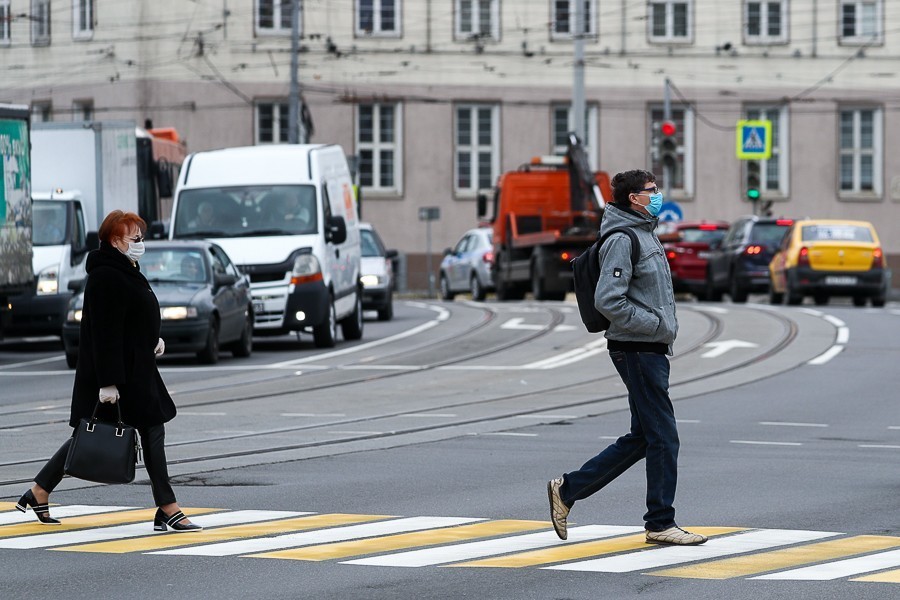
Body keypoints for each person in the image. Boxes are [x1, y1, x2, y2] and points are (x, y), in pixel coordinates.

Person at [547, 170, 707, 546]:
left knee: (644, 438)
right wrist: (653, 325)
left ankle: (567, 490)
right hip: (636, 348)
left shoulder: (645, 233)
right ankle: (660, 522)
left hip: (648, 347)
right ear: (634, 198)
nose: (657, 195)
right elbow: (608, 299)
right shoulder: (623, 238)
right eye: (651, 190)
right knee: (664, 438)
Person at [16, 210, 202, 533]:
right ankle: (168, 508)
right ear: (116, 241)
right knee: (123, 433)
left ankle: (39, 491)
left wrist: (152, 339)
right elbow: (104, 334)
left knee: (103, 434)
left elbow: (131, 319)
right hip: (120, 375)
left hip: (136, 369)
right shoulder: (106, 276)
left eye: (141, 237)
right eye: (135, 238)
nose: (140, 243)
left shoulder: (125, 268)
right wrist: (108, 383)